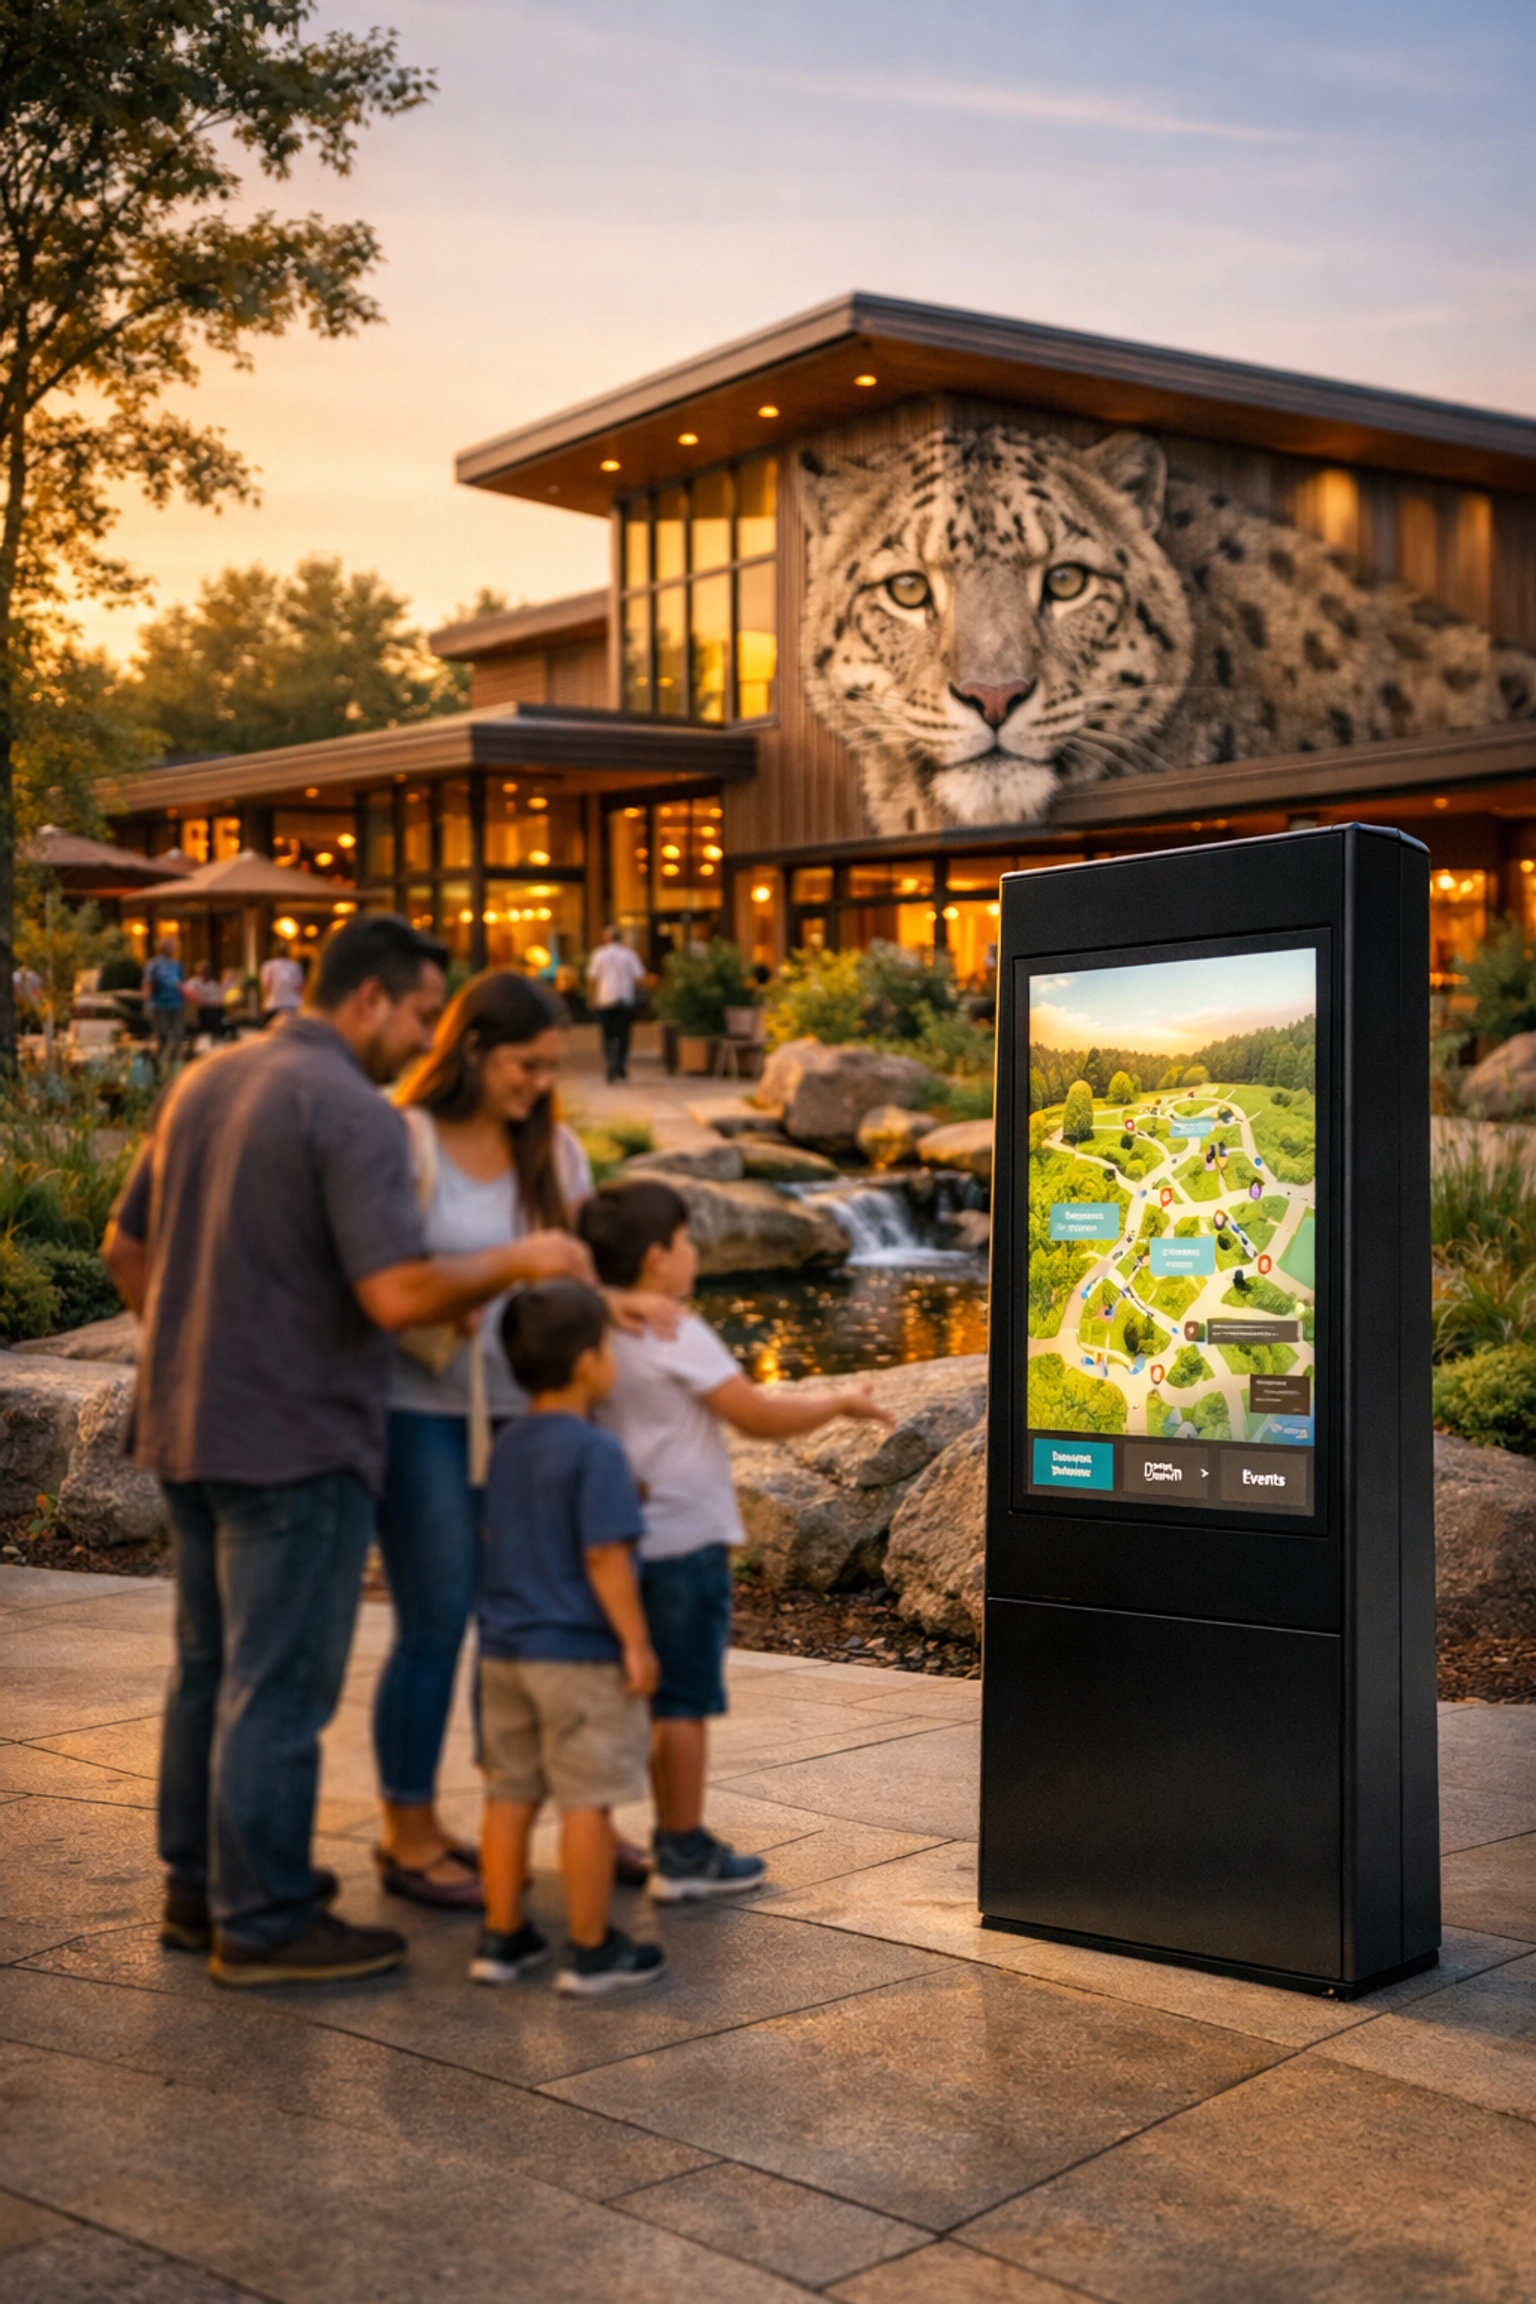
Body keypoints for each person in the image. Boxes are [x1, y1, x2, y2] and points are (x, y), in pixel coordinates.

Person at [102, 913, 595, 1989]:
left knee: (208, 1671)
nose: (426, 1040)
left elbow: (123, 1248)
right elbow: (398, 1293)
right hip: (300, 1441)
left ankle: (200, 1894)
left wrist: (206, 1353)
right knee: (279, 1686)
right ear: (371, 999)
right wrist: (528, 1254)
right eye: (423, 1015)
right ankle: (267, 1922)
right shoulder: (354, 1113)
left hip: (190, 1421)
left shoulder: (207, 1080)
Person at [579, 1179, 895, 1899]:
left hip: (618, 1546)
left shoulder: (592, 1328)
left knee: (632, 1698)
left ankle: (613, 1836)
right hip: (684, 1546)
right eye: (688, 1243)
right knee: (684, 1701)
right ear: (659, 1258)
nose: (695, 1254)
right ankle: (683, 1851)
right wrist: (839, 1402)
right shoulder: (676, 1332)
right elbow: (753, 1415)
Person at [371, 970, 595, 1908]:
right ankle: (407, 1831)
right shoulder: (404, 1138)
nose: (539, 1083)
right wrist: (497, 1271)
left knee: (529, 1622)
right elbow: (382, 1280)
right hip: (420, 1414)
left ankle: (537, 1820)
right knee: (437, 1621)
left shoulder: (561, 1154)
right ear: (471, 1050)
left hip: (530, 1417)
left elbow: (578, 1277)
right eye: (524, 1063)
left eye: (551, 1066)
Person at [471, 1280, 666, 1996]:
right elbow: (604, 1557)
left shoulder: (507, 1445)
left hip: (505, 1652)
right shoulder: (596, 1451)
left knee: (510, 1795)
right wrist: (637, 1644)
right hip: (579, 1656)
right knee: (587, 1801)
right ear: (589, 1362)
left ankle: (501, 1937)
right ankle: (590, 1950)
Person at [585, 925, 647, 1084]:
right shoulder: (628, 954)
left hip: (605, 997)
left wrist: (591, 997)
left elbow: (592, 978)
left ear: (607, 938)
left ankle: (611, 1062)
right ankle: (619, 1064)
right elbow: (639, 976)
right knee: (623, 1034)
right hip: (625, 998)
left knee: (607, 1034)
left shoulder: (599, 954)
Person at [142, 938, 186, 1063]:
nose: (171, 949)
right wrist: (147, 1002)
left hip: (176, 1004)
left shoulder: (176, 964)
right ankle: (159, 1064)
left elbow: (181, 984)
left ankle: (175, 1062)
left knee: (177, 1035)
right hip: (160, 1004)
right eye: (169, 946)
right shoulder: (154, 964)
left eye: (172, 946)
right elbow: (148, 983)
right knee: (162, 1036)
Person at [259, 944, 304, 1026]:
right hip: (292, 1004)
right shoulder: (295, 966)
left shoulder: (268, 966)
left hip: (273, 1005)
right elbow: (299, 987)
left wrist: (263, 1004)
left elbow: (266, 986)